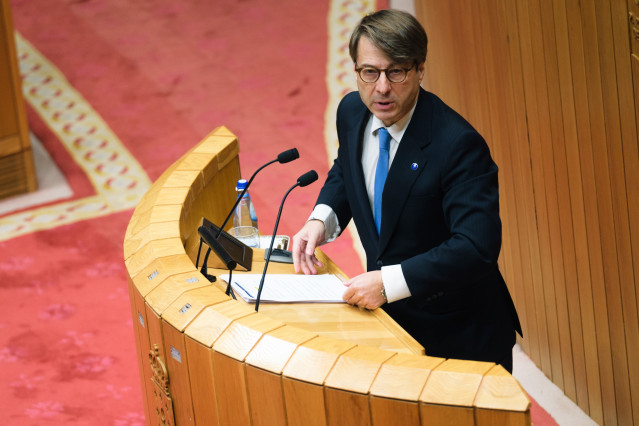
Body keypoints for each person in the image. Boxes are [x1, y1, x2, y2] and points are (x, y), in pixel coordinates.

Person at [292, 9, 522, 372]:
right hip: (388, 326)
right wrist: (322, 219)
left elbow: (476, 247)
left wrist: (387, 283)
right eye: (369, 72)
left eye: (395, 71)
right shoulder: (352, 111)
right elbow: (347, 169)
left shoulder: (457, 144)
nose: (381, 87)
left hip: (459, 336)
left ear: (419, 69)